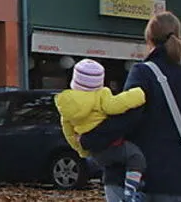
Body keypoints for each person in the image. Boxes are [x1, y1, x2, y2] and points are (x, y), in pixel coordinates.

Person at [81, 11, 181, 202]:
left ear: (149, 38)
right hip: (178, 179)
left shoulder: (143, 72)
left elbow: (127, 117)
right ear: (179, 36)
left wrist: (90, 139)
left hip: (137, 176)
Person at [55, 58, 148, 202]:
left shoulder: (66, 106)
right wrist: (138, 94)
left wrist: (82, 150)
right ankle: (131, 190)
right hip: (112, 145)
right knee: (136, 157)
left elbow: (69, 133)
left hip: (96, 154)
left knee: (114, 166)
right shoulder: (100, 96)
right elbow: (117, 105)